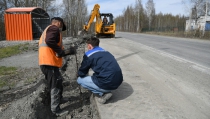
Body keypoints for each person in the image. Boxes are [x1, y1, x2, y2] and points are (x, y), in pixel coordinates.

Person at [38, 17, 76, 116]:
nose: (61, 28)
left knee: (59, 81)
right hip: (49, 63)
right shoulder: (54, 28)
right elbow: (49, 41)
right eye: (62, 25)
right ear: (59, 23)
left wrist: (66, 51)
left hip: (48, 62)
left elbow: (56, 49)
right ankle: (55, 109)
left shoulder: (48, 30)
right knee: (55, 84)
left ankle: (60, 99)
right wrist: (60, 51)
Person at [77, 37, 123, 104]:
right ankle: (105, 89)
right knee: (95, 75)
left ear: (89, 46)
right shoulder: (106, 52)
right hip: (118, 82)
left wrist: (79, 74)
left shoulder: (89, 54)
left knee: (79, 80)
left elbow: (82, 72)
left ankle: (103, 93)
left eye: (87, 46)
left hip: (107, 82)